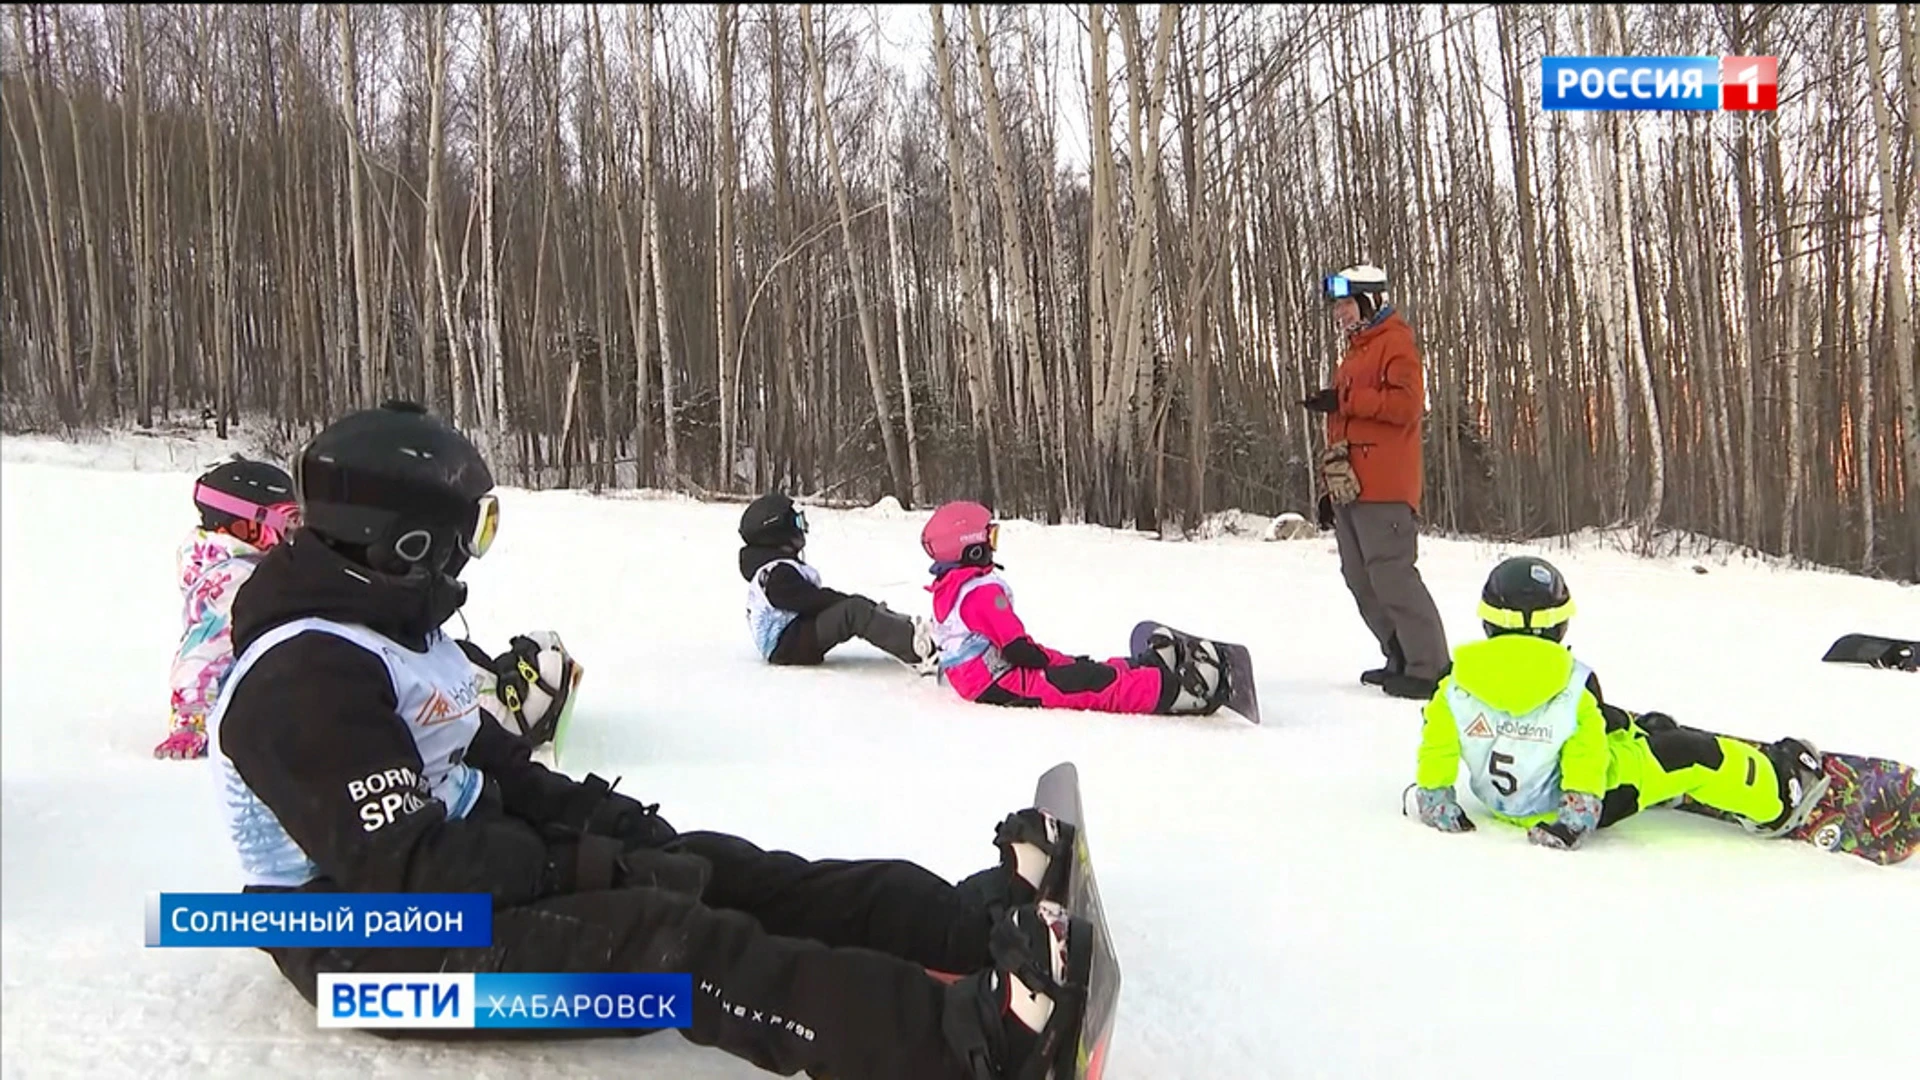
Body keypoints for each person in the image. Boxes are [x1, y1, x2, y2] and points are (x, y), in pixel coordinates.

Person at [205, 401, 1091, 1080]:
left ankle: (966, 926)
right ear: (405, 539)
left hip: (454, 872)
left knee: (730, 869)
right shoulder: (302, 683)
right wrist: (586, 870)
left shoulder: (385, 618)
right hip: (374, 951)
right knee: (669, 942)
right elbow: (409, 873)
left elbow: (482, 757)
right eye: (469, 529)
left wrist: (614, 828)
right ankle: (967, 1046)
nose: (474, 555)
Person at [1404, 555, 1829, 849]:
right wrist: (1574, 820)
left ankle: (1649, 737)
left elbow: (1437, 747)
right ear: (1558, 625)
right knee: (1693, 754)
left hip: (1499, 802)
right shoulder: (1573, 685)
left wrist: (1438, 802)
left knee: (1617, 724)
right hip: (1570, 805)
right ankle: (1777, 794)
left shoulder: (1454, 682)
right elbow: (1586, 756)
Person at [921, 500, 1229, 717]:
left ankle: (1141, 669)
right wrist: (1054, 664)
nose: (993, 544)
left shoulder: (950, 587)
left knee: (1078, 669)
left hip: (984, 681)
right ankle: (1181, 693)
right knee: (1088, 685)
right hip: (1003, 683)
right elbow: (1019, 650)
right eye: (990, 537)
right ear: (972, 546)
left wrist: (1059, 661)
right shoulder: (983, 594)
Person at [1301, 264, 1450, 699]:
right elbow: (1347, 428)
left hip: (1386, 486)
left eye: (1347, 303)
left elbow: (1406, 407)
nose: (1339, 313)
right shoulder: (1356, 350)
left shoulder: (1395, 342)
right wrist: (1331, 489)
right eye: (1338, 305)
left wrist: (1343, 400)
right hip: (1353, 487)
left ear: (1370, 301)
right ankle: (1399, 655)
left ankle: (1430, 667)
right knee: (1359, 576)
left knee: (1392, 575)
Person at [156, 457, 299, 760]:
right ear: (242, 526)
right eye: (286, 519)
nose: (293, 531)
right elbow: (203, 651)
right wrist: (191, 722)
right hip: (247, 715)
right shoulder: (234, 579)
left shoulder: (257, 568)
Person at [738, 490, 938, 674]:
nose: (803, 528)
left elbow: (811, 600)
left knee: (855, 605)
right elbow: (809, 601)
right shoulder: (775, 574)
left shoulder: (774, 568)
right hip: (790, 645)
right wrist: (843, 602)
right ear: (777, 533)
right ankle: (918, 649)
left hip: (795, 637)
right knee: (854, 611)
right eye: (797, 523)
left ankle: (907, 629)